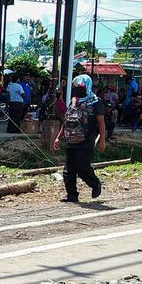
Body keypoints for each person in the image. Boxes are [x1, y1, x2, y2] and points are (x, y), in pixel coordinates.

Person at [54, 74, 105, 203]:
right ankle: (72, 195)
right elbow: (67, 121)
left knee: (83, 167)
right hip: (71, 139)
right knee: (68, 170)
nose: (77, 89)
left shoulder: (95, 102)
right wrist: (58, 138)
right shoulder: (74, 101)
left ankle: (95, 184)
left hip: (86, 140)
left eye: (80, 87)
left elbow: (101, 122)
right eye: (76, 87)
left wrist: (102, 140)